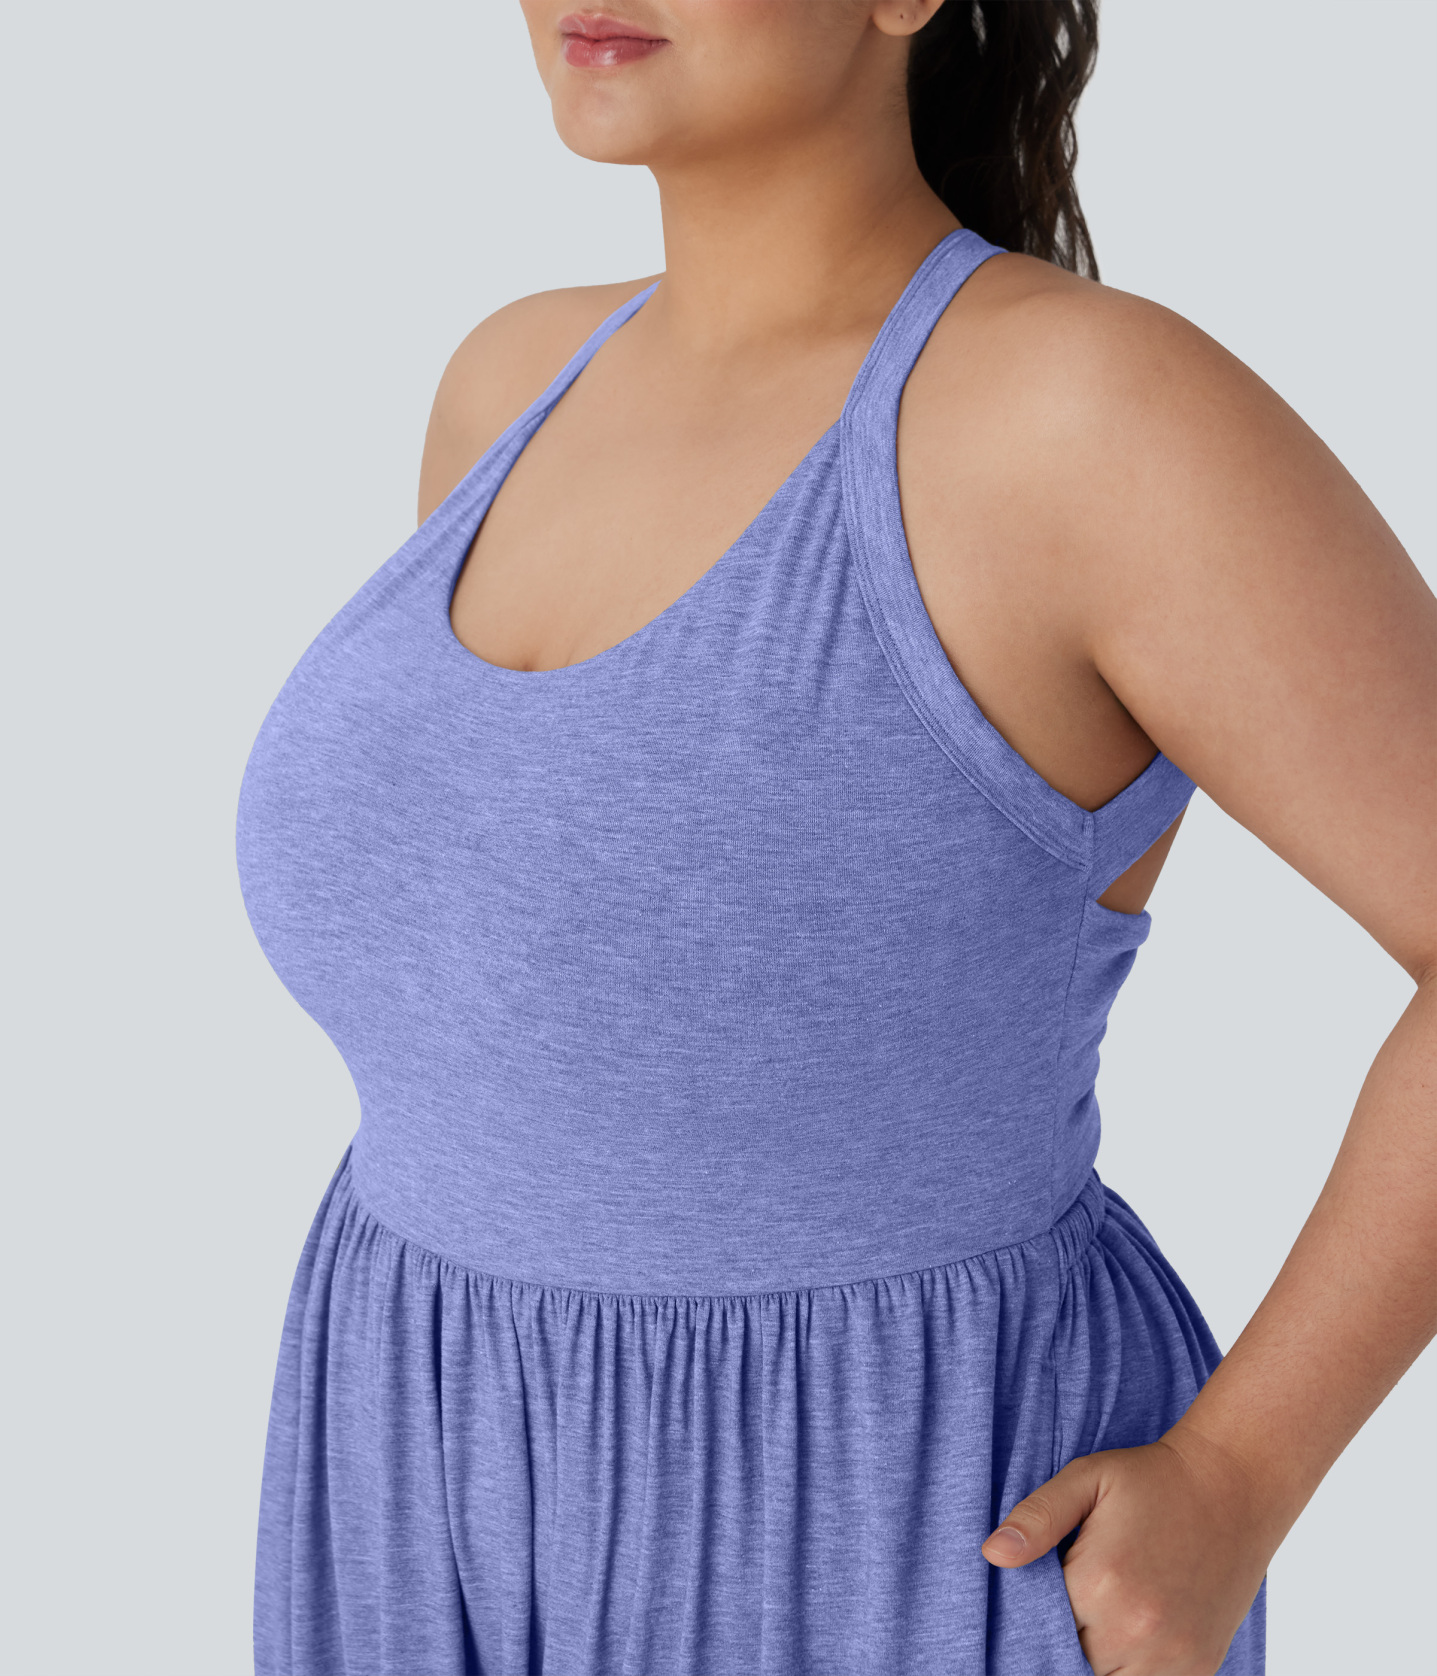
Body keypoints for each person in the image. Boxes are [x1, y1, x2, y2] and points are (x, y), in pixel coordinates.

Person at [236, 3, 1437, 1673]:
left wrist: (1239, 1475)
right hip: (414, 1468)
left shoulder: (1086, 418)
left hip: (892, 1527)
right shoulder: (505, 381)